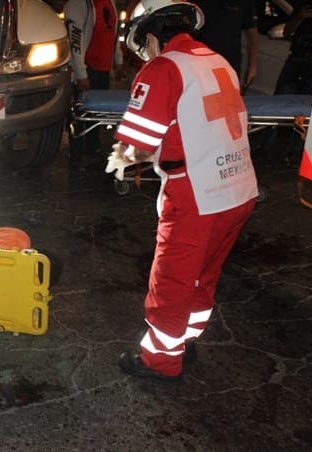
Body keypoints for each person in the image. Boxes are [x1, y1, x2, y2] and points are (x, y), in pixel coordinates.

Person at [107, 0, 258, 382]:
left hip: (197, 194)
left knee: (173, 280)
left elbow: (139, 141)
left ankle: (159, 360)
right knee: (202, 277)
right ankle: (185, 342)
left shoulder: (163, 68)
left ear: (152, 34)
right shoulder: (217, 60)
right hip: (239, 188)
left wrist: (122, 156)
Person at [64, 0, 118, 166]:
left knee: (97, 114)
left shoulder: (109, 2)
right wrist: (81, 72)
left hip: (103, 68)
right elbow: (75, 40)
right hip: (88, 67)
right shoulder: (79, 4)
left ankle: (92, 146)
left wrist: (117, 59)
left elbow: (112, 33)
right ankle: (76, 154)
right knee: (80, 114)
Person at [192, 0, 259, 93]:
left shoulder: (244, 2)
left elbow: (252, 33)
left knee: (229, 102)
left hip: (230, 65)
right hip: (200, 64)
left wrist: (252, 66)